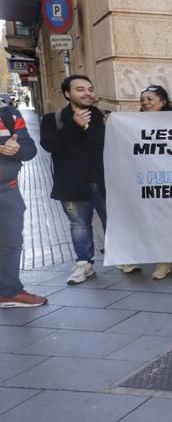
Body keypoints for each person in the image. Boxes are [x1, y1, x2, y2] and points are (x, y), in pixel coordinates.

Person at [41, 75, 112, 285]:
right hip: (72, 184)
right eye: (80, 89)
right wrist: (74, 126)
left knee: (113, 221)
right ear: (67, 94)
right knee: (79, 225)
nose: (87, 93)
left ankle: (119, 257)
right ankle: (84, 264)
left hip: (103, 181)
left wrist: (98, 127)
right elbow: (51, 145)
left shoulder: (103, 116)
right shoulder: (52, 119)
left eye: (90, 89)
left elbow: (106, 144)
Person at [139, 85, 172, 281]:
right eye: (142, 100)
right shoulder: (134, 123)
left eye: (150, 99)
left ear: (163, 101)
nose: (145, 103)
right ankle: (164, 260)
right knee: (158, 220)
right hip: (153, 180)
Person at [0, 101, 45, 307]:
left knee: (11, 242)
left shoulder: (8, 113)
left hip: (7, 191)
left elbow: (29, 149)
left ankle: (9, 291)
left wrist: (17, 149)